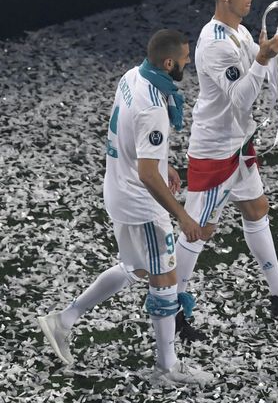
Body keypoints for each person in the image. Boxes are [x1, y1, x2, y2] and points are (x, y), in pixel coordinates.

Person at [37, 29, 212, 386]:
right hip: (140, 204)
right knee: (165, 281)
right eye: (184, 59)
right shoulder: (154, 108)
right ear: (168, 63)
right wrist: (183, 217)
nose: (187, 63)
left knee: (135, 268)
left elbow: (131, 140)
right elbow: (147, 174)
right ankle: (167, 369)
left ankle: (64, 320)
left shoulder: (133, 76)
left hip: (116, 187)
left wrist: (164, 164)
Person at [173, 0, 278, 341]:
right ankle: (170, 307)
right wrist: (261, 59)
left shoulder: (239, 32)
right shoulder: (214, 45)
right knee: (198, 231)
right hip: (215, 150)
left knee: (257, 209)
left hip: (238, 144)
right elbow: (241, 99)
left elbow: (261, 78)